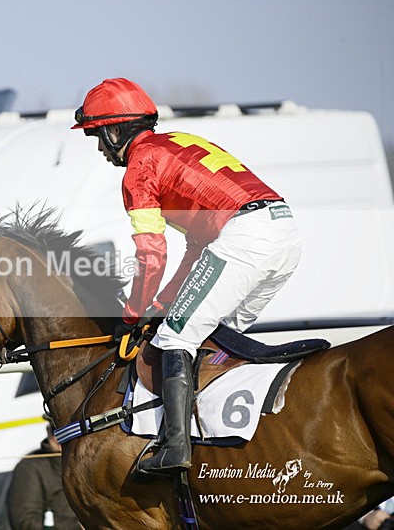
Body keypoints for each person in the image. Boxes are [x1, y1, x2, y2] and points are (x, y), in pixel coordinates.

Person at [72, 78, 301, 476]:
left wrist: (133, 313)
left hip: (244, 236)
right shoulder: (176, 143)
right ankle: (229, 441)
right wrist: (162, 304)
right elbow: (197, 249)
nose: (99, 148)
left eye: (97, 136)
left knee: (175, 336)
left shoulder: (139, 170)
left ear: (114, 130)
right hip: (283, 230)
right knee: (218, 336)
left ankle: (175, 447)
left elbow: (151, 255)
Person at [7, 419, 80, 529]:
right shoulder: (30, 468)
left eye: (68, 430)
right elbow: (24, 521)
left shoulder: (88, 461)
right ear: (48, 432)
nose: (62, 436)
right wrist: (77, 526)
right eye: (56, 430)